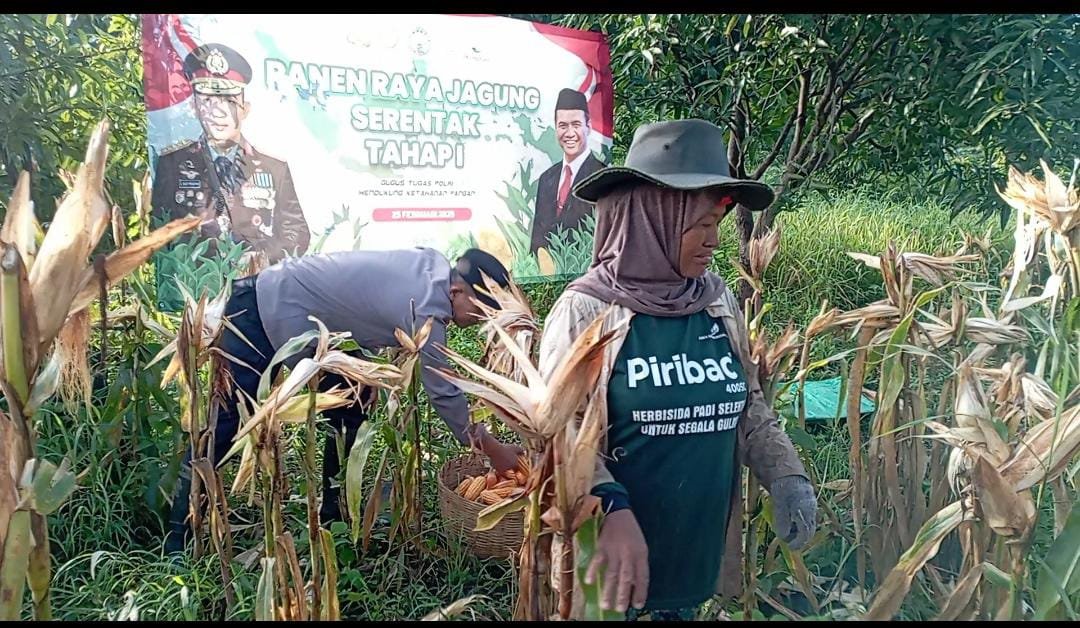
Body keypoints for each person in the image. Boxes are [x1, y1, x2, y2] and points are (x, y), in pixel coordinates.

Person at [538, 119, 817, 620]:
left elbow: (749, 403)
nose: (714, 240)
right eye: (701, 224)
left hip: (692, 552)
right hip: (608, 565)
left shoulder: (715, 301)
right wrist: (610, 504)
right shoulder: (586, 311)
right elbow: (558, 433)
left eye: (718, 223)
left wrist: (786, 474)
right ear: (653, 217)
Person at [164, 247, 523, 554]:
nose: (481, 320)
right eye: (481, 310)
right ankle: (177, 536)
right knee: (226, 427)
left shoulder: (430, 266)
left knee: (354, 402)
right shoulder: (429, 306)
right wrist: (492, 449)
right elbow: (443, 390)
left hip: (293, 310)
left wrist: (363, 363)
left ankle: (334, 516)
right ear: (457, 291)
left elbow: (361, 301)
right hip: (258, 311)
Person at [151, 43, 311, 265]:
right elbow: (157, 229)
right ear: (194, 107)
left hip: (256, 281)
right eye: (207, 100)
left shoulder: (274, 168)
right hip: (196, 282)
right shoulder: (173, 164)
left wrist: (262, 258)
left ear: (245, 109)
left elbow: (297, 233)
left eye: (229, 101)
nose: (217, 112)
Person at [529, 88, 605, 256]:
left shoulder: (601, 177)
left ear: (588, 127)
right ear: (556, 128)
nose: (570, 133)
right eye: (563, 126)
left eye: (576, 125)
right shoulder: (547, 178)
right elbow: (536, 241)